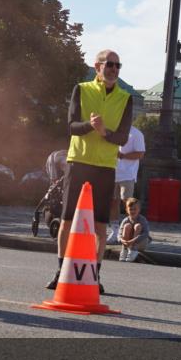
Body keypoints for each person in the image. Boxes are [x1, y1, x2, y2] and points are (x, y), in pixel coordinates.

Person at [47, 50, 133, 294]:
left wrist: (104, 132)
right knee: (67, 220)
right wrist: (90, 126)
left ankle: (94, 274)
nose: (114, 69)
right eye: (110, 64)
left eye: (118, 65)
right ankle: (61, 271)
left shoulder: (126, 98)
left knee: (100, 226)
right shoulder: (82, 89)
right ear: (98, 66)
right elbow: (72, 127)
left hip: (105, 167)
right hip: (78, 162)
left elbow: (123, 136)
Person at [107, 124, 145, 245]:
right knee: (113, 202)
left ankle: (132, 230)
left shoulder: (136, 133)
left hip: (127, 174)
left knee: (127, 202)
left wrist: (122, 155)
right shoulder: (112, 130)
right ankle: (115, 231)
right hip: (112, 172)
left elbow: (140, 154)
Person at [117, 197, 151, 262]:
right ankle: (125, 249)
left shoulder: (142, 219)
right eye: (130, 209)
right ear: (127, 210)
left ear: (139, 210)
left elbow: (146, 234)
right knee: (127, 226)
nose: (132, 211)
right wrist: (122, 240)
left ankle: (133, 250)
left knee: (137, 226)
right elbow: (119, 233)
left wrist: (133, 241)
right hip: (128, 243)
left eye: (135, 209)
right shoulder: (125, 220)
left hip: (140, 243)